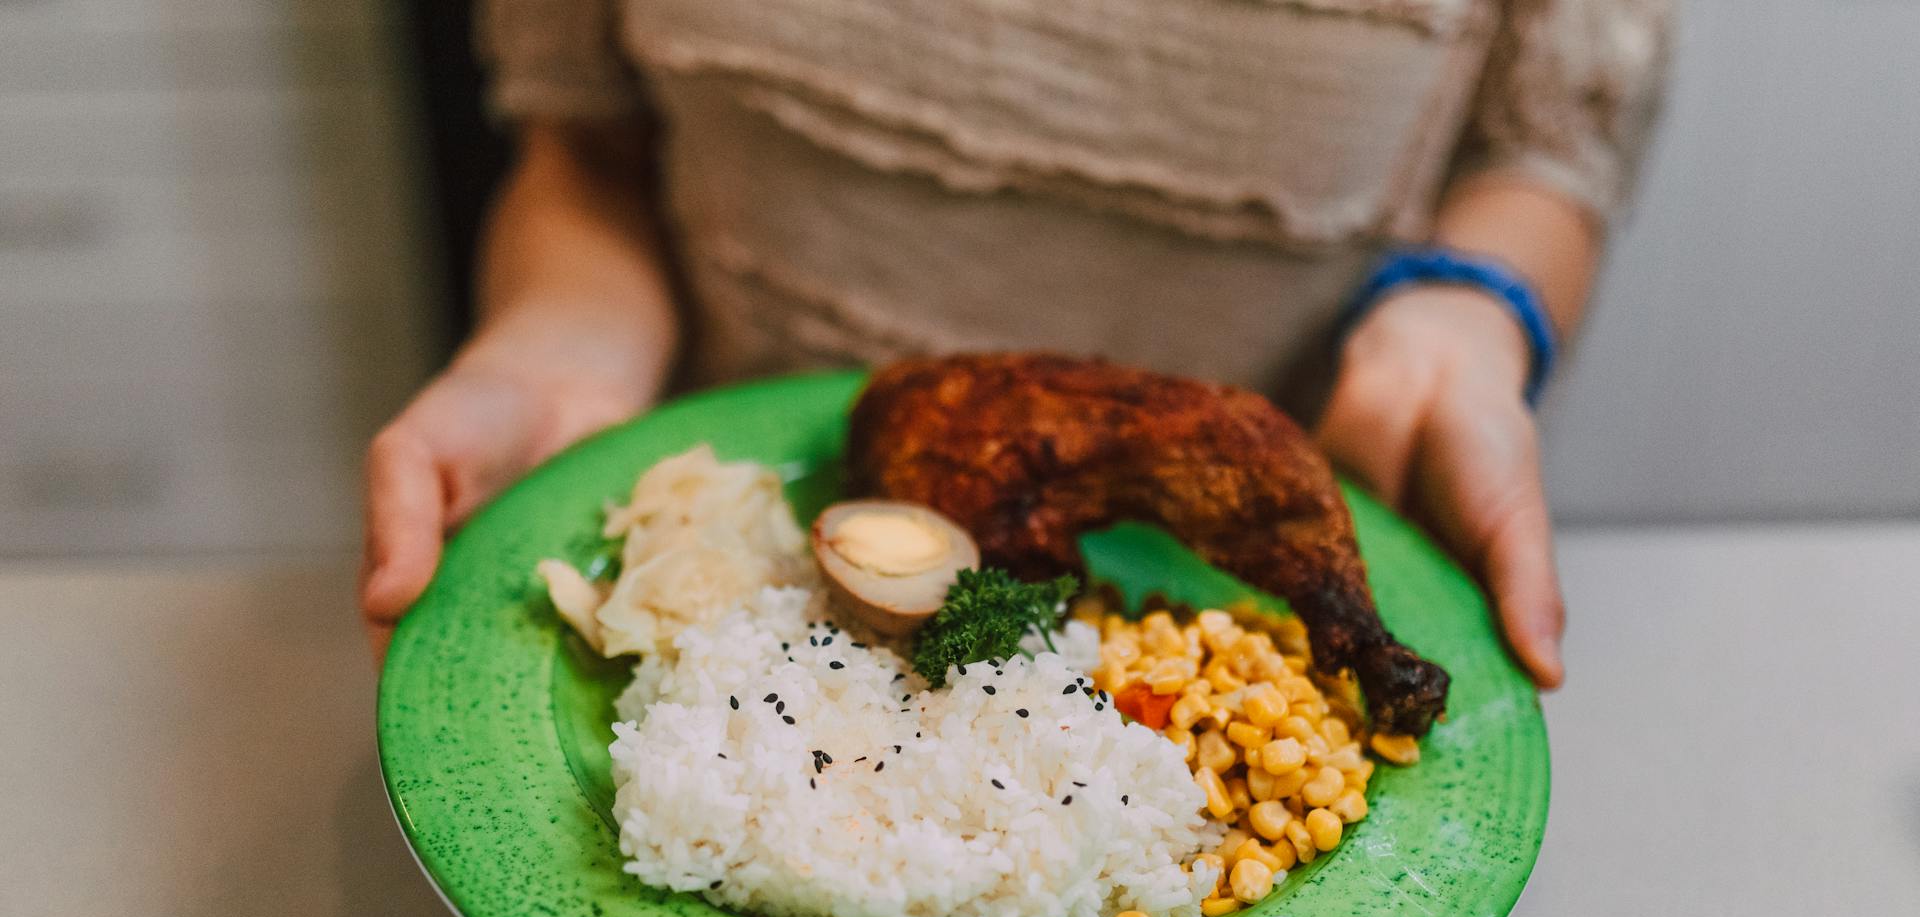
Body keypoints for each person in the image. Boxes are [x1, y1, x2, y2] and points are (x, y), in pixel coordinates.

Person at [361, 0, 1672, 684]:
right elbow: (588, 147)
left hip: (1224, 604)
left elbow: (1545, 151)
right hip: (750, 575)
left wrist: (1462, 314)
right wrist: (554, 350)